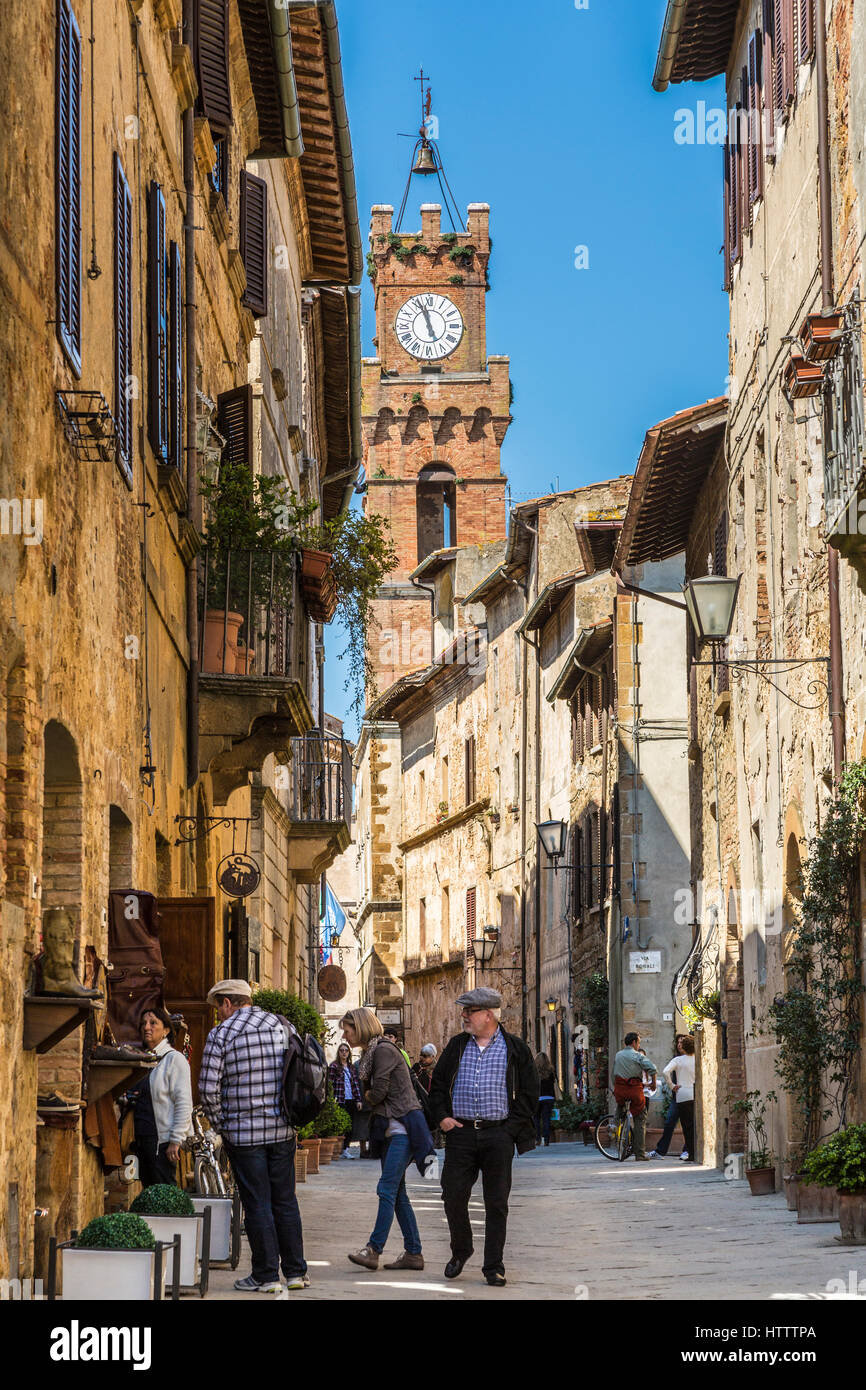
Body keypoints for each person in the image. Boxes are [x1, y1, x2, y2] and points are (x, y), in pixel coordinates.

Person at [198, 978, 307, 1294]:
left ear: (228, 1003)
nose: (218, 1014)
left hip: (244, 1135)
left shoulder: (223, 1033)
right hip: (282, 1130)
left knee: (257, 1203)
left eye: (219, 1007)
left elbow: (207, 1088)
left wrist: (222, 1124)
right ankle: (297, 1272)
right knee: (285, 1199)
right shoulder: (281, 1025)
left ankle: (266, 1275)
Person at [430, 987, 539, 1288]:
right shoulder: (457, 1046)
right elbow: (437, 1085)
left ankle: (493, 1266)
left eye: (470, 1011)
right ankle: (461, 1249)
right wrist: (442, 1118)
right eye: (464, 1010)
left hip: (497, 1135)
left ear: (488, 1015)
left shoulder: (515, 1049)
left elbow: (530, 1094)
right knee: (452, 1195)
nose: (464, 1015)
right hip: (461, 1134)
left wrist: (509, 1130)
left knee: (496, 1203)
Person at [342, 1007, 434, 1272]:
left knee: (386, 1189)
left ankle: (373, 1249)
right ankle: (413, 1253)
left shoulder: (382, 1051)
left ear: (359, 1027)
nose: (345, 1036)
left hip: (404, 1129)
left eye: (347, 1030)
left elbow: (379, 1091)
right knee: (398, 1194)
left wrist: (367, 1097)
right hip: (391, 1131)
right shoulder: (371, 1052)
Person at [128, 1007, 193, 1188]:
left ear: (166, 1030)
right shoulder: (143, 1060)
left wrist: (175, 1139)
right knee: (149, 1192)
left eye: (153, 1023)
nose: (147, 1027)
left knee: (163, 1193)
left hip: (162, 1143)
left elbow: (184, 1102)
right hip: (142, 1141)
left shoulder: (174, 1060)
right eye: (144, 1024)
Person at [611, 1032, 658, 1161]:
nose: (638, 1046)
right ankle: (640, 1154)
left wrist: (615, 1088)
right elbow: (652, 1069)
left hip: (620, 1089)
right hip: (634, 1091)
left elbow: (613, 1074)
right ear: (633, 1043)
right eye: (638, 1043)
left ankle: (615, 1123)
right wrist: (653, 1083)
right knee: (640, 1118)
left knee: (621, 1104)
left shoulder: (618, 1055)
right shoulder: (637, 1055)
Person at [648, 1035, 686, 1159]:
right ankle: (660, 1151)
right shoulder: (676, 1059)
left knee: (688, 1124)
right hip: (677, 1096)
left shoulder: (692, 1059)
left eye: (682, 1043)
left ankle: (688, 1149)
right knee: (669, 1122)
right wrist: (672, 1086)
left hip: (689, 1095)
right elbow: (667, 1073)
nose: (679, 1045)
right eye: (678, 1043)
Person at [664, 1035, 696, 1161]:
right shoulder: (698, 1059)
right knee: (695, 1125)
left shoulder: (678, 1060)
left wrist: (672, 1086)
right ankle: (695, 1152)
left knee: (687, 1126)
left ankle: (690, 1153)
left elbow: (666, 1071)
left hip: (682, 1095)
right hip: (695, 1094)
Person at [329, 1042, 362, 1159]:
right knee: (340, 1125)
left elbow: (356, 1085)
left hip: (351, 1099)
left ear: (349, 1053)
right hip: (339, 1100)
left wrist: (358, 1100)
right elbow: (329, 1084)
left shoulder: (352, 1067)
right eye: (341, 1050)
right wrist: (331, 1100)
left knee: (350, 1126)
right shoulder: (333, 1066)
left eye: (346, 1050)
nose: (344, 1052)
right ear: (338, 1053)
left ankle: (345, 1149)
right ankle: (337, 1149)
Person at [534, 1052, 557, 1146]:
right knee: (546, 1119)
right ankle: (546, 1140)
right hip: (549, 1097)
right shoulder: (551, 1071)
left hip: (537, 1098)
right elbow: (554, 1082)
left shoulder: (534, 1071)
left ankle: (537, 1139)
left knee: (536, 1119)